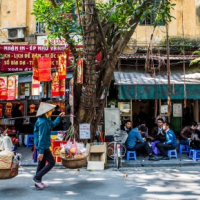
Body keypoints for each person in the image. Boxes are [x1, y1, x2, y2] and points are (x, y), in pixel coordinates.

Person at [33, 102, 65, 189]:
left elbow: (53, 124)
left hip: (43, 144)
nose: (52, 111)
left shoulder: (46, 119)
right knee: (51, 162)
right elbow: (41, 137)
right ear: (46, 111)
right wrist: (41, 151)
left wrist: (59, 117)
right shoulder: (42, 122)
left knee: (41, 163)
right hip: (43, 145)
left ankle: (37, 181)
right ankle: (36, 178)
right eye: (51, 110)